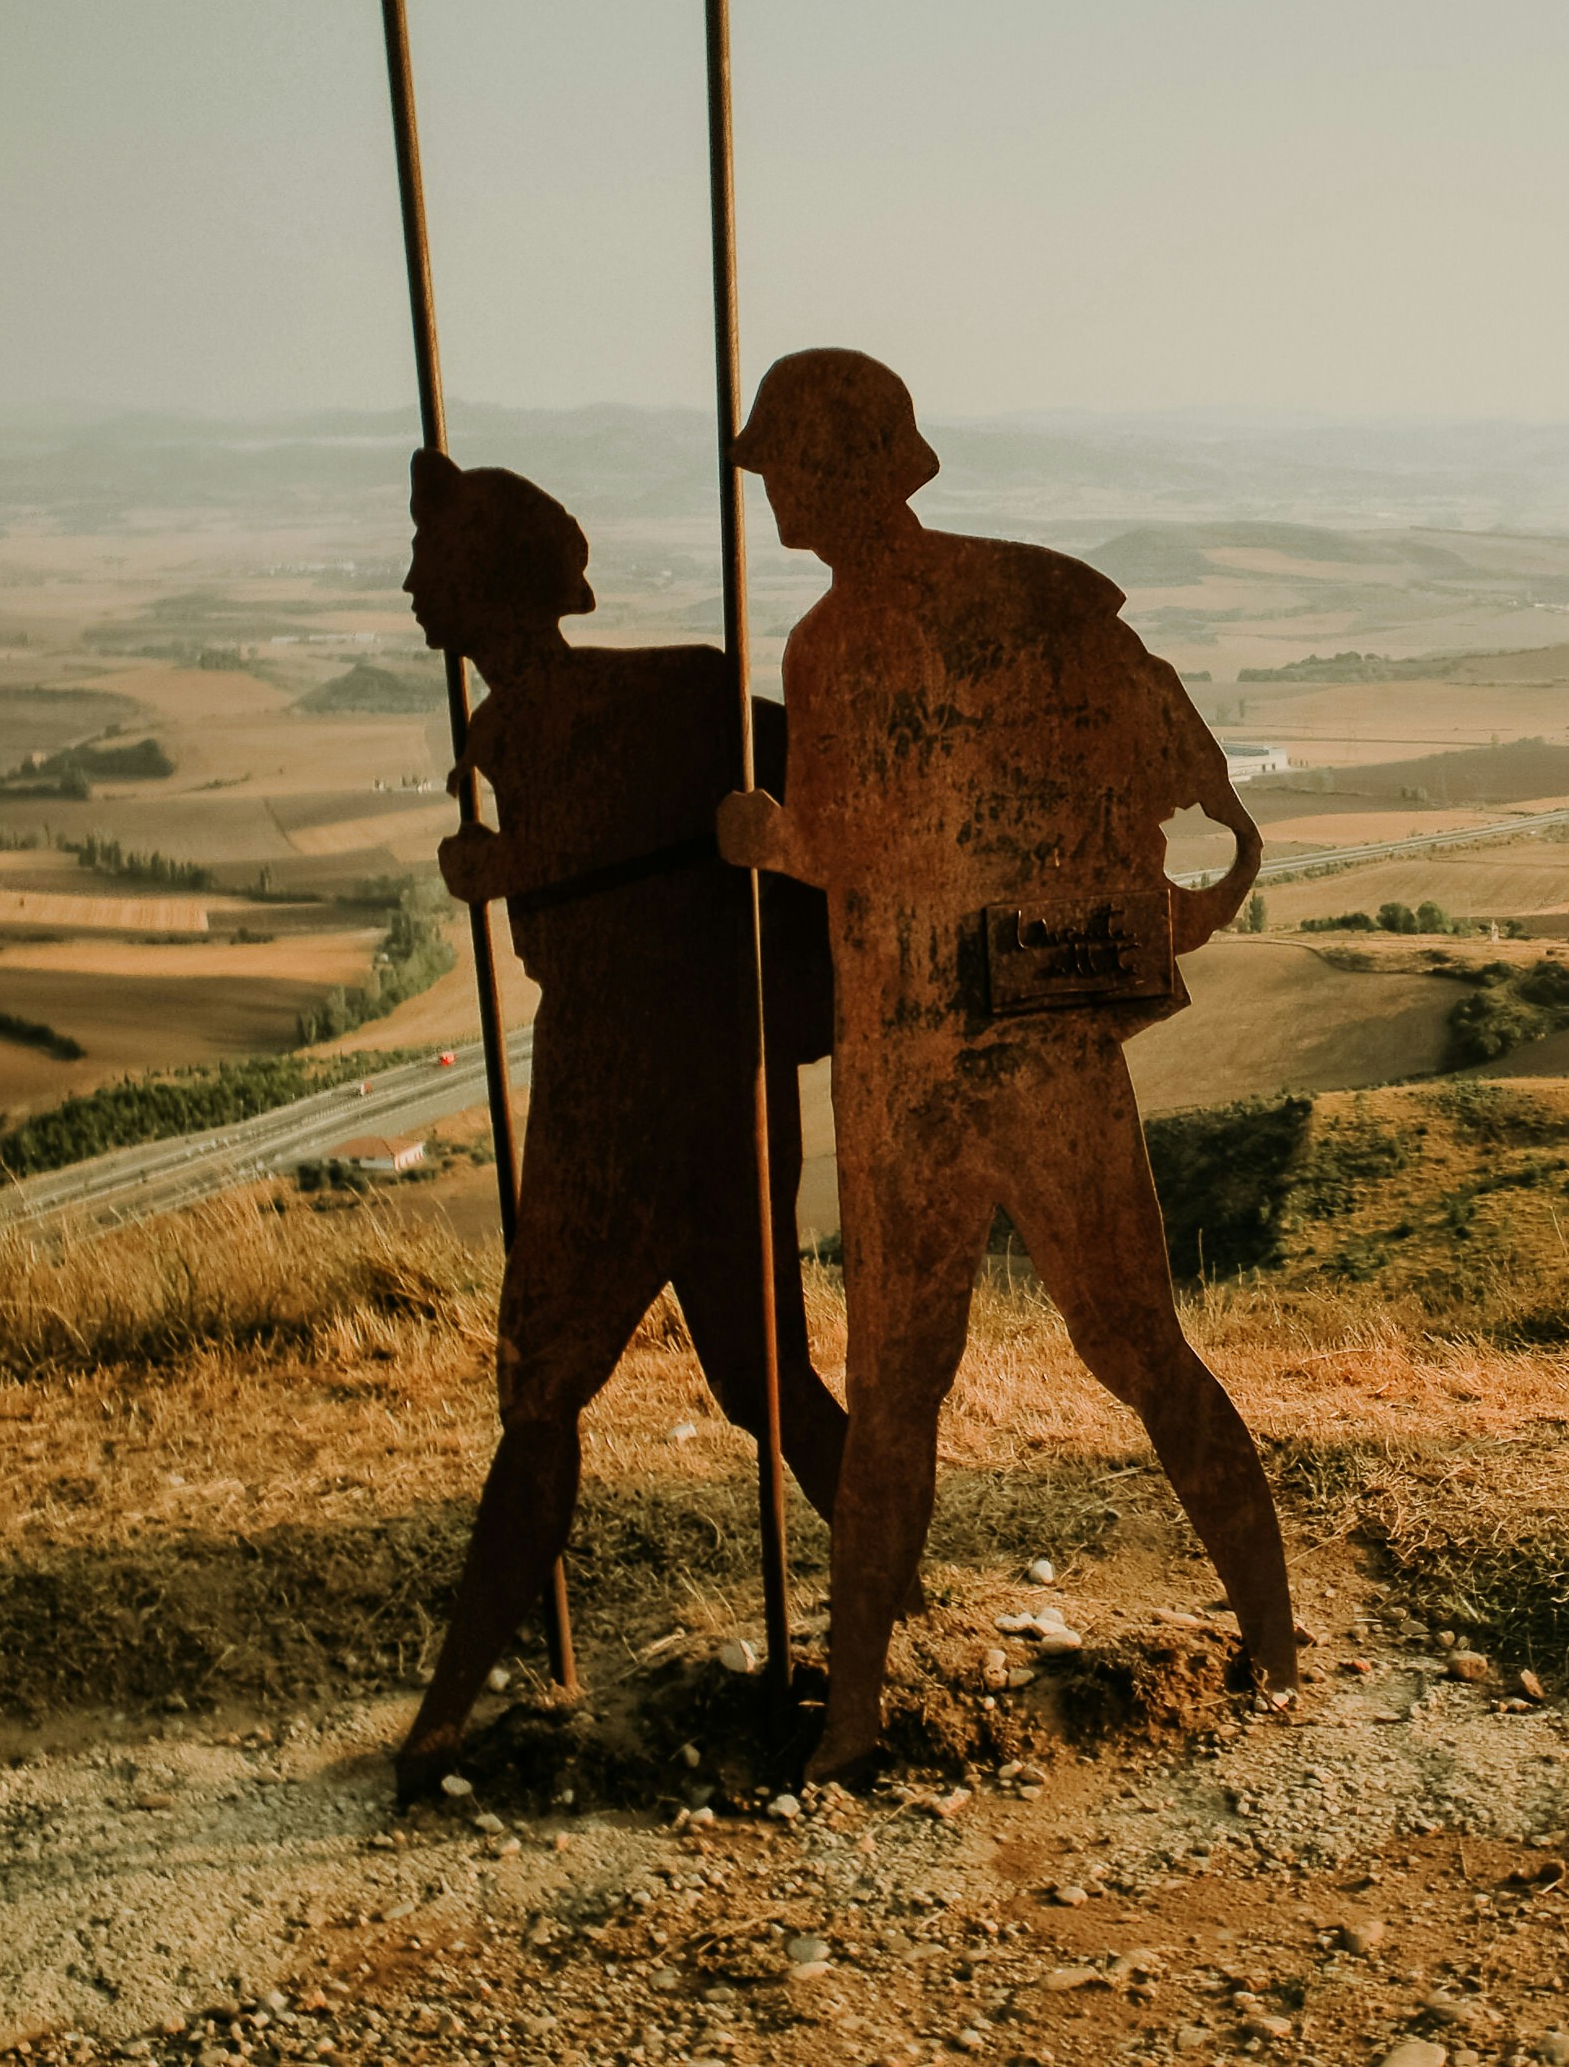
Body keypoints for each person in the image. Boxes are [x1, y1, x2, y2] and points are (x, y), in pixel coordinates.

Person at [712, 348, 1289, 1779]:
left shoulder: (829, 646)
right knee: (1128, 1348)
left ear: (845, 468)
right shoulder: (1037, 593)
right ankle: (1270, 1643)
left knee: (908, 1387)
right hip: (1032, 1043)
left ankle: (854, 1717)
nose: (771, 492)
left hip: (918, 1059)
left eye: (786, 465)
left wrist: (769, 839)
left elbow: (866, 843)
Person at [394, 449, 846, 1795]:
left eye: (430, 557)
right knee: (759, 1384)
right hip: (697, 1072)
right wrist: (511, 869)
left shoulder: (654, 696)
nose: (409, 580)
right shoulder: (544, 726)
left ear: (484, 580)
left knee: (569, 1394)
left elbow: (724, 827)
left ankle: (443, 1722)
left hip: (623, 1086)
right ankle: (896, 1610)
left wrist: (513, 865)